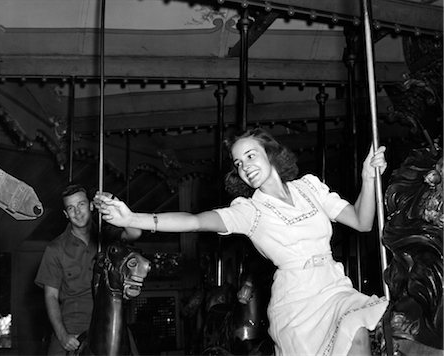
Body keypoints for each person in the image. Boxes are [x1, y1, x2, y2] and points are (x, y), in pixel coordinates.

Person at [95, 128, 389, 356]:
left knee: (360, 333)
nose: (245, 166)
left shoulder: (310, 187)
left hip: (334, 285)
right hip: (298, 300)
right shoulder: (249, 211)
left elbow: (362, 222)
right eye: (238, 163)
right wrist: (133, 219)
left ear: (270, 153)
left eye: (250, 155)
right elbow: (195, 221)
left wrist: (367, 178)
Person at [35, 184, 141, 355]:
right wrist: (62, 336)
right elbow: (51, 296)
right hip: (73, 325)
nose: (77, 212)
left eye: (81, 204)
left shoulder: (106, 235)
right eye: (71, 208)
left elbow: (135, 233)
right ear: (65, 214)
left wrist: (115, 203)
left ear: (91, 206)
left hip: (110, 321)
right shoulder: (55, 249)